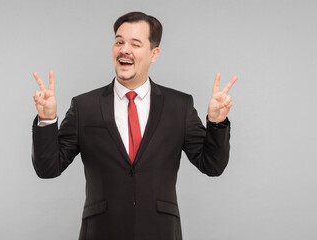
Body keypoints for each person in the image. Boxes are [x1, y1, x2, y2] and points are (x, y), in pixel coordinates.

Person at [32, 11, 237, 240]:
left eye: (135, 44)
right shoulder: (84, 107)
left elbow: (212, 165)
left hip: (160, 232)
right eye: (119, 41)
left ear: (154, 53)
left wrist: (217, 123)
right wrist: (47, 120)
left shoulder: (179, 106)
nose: (124, 49)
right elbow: (48, 168)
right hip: (102, 232)